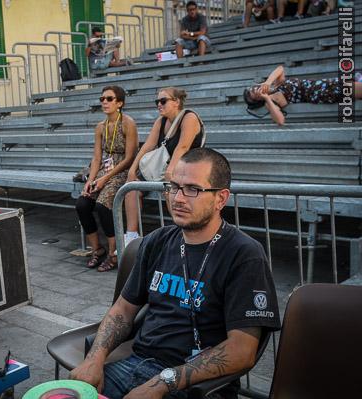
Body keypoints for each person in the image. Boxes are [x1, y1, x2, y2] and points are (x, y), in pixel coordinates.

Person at [71, 148, 281, 399]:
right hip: (134, 365)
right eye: (173, 187)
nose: (178, 199)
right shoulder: (157, 241)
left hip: (196, 385)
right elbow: (123, 310)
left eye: (193, 189)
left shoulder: (244, 254)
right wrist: (94, 359)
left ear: (221, 199)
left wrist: (161, 383)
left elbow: (242, 351)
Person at [124, 88, 204, 246]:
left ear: (177, 102)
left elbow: (183, 146)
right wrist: (132, 169)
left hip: (190, 167)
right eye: (157, 102)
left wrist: (171, 170)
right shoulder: (161, 121)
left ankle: (182, 234)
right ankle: (131, 236)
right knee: (130, 188)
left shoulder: (189, 117)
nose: (159, 105)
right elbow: (148, 145)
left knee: (172, 190)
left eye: (163, 101)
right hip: (164, 168)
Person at [75, 86, 138, 272]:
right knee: (82, 204)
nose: (104, 102)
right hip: (104, 171)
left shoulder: (128, 123)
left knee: (103, 206)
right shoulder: (100, 127)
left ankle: (114, 252)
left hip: (122, 171)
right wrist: (91, 180)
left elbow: (129, 158)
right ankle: (97, 249)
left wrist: (105, 179)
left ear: (120, 103)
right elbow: (96, 158)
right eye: (102, 98)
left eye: (109, 99)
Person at [243, 65, 362, 125]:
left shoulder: (275, 84)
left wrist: (268, 82)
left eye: (254, 88)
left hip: (325, 83)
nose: (256, 89)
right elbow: (280, 121)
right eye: (255, 94)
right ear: (259, 100)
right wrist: (267, 99)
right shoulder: (271, 101)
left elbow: (280, 69)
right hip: (322, 93)